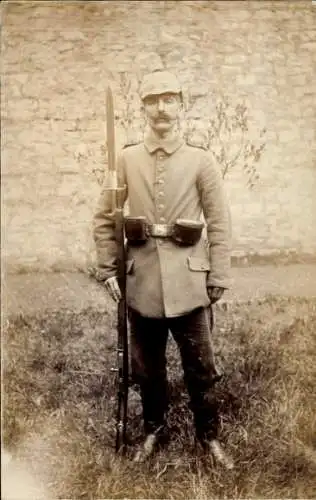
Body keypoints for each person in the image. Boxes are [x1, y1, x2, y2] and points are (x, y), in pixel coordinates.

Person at [93, 70, 233, 468]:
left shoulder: (200, 160)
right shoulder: (126, 159)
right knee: (146, 369)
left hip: (190, 282)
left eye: (169, 99)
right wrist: (107, 268)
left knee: (202, 368)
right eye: (153, 99)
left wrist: (219, 274)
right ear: (143, 107)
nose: (161, 108)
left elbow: (219, 221)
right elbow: (105, 218)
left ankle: (209, 436)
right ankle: (155, 430)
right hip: (142, 284)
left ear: (181, 106)